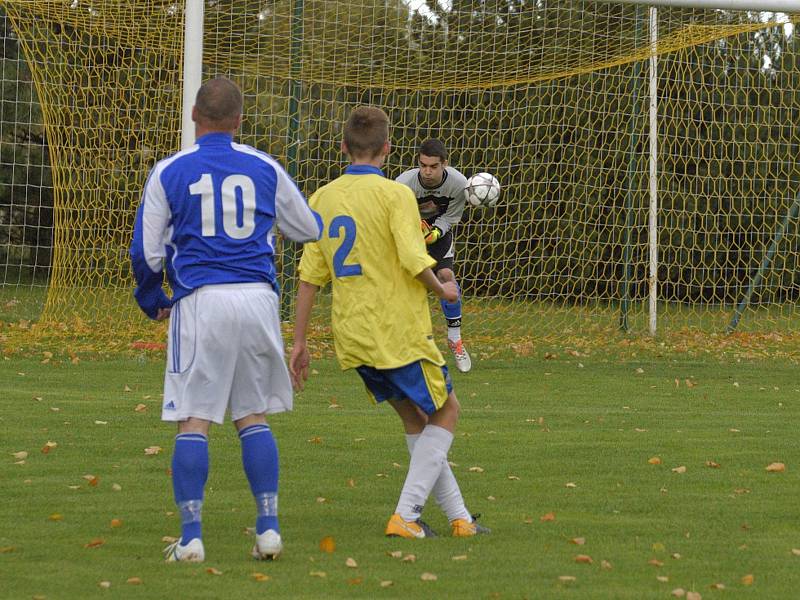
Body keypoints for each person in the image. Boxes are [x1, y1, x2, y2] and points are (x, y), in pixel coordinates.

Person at [129, 77, 322, 563]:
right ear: (239, 121)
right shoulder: (264, 166)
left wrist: (152, 300)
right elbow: (308, 229)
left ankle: (192, 538)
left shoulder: (168, 171)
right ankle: (269, 530)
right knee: (251, 414)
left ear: (194, 115)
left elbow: (146, 254)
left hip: (201, 302)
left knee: (194, 417)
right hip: (257, 300)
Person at [289, 106, 489, 538]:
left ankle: (460, 519)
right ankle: (407, 515)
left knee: (417, 418)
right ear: (387, 149)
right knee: (448, 410)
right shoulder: (395, 195)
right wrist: (444, 290)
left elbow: (308, 278)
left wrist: (299, 342)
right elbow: (415, 258)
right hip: (397, 332)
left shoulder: (322, 197)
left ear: (343, 147)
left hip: (353, 337)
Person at [396, 140, 472, 373]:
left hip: (439, 235)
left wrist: (435, 232)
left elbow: (451, 217)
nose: (427, 171)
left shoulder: (459, 184)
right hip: (409, 236)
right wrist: (414, 231)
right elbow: (393, 217)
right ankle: (401, 345)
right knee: (401, 286)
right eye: (423, 165)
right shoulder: (402, 184)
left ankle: (455, 338)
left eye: (433, 166)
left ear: (444, 165)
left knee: (446, 275)